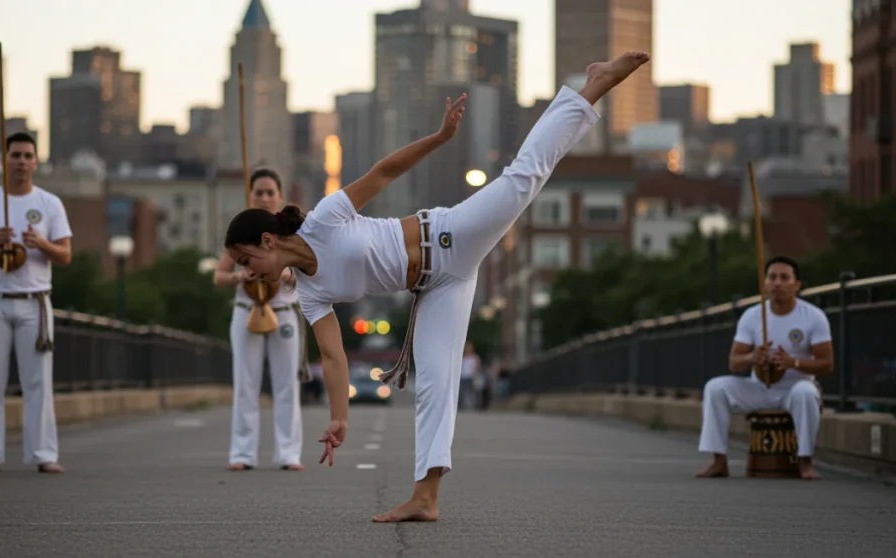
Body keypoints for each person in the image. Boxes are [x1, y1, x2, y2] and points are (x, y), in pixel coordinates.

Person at [222, 51, 651, 521]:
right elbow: (332, 356)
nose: (247, 272)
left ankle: (593, 86)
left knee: (523, 177)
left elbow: (383, 173)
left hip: (448, 236)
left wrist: (440, 137)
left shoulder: (323, 220)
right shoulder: (308, 293)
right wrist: (339, 417)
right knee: (434, 382)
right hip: (439, 286)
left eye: (246, 260)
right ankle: (426, 497)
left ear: (267, 241)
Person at [0, 132, 71, 475]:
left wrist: (41, 244)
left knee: (38, 381)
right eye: (15, 155)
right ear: (4, 161)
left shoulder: (50, 204)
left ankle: (43, 453)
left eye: (27, 156)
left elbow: (65, 255)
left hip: (34, 301)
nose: (21, 162)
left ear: (35, 162)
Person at [696, 256, 833, 480]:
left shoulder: (813, 317)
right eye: (772, 277)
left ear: (797, 285)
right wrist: (753, 357)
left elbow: (826, 364)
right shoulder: (752, 316)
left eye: (784, 278)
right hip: (759, 387)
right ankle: (718, 461)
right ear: (765, 284)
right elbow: (734, 363)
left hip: (795, 386)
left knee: (807, 394)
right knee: (715, 388)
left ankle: (805, 462)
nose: (778, 283)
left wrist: (793, 363)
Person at [213, 168, 310, 471]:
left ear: (279, 196)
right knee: (245, 382)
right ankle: (242, 453)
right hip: (247, 311)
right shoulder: (242, 230)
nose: (265, 198)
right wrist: (240, 275)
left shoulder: (289, 232)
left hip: (283, 312)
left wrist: (283, 272)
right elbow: (219, 275)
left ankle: (288, 453)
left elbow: (305, 272)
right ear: (251, 195)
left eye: (270, 192)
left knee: (287, 384)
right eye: (259, 192)